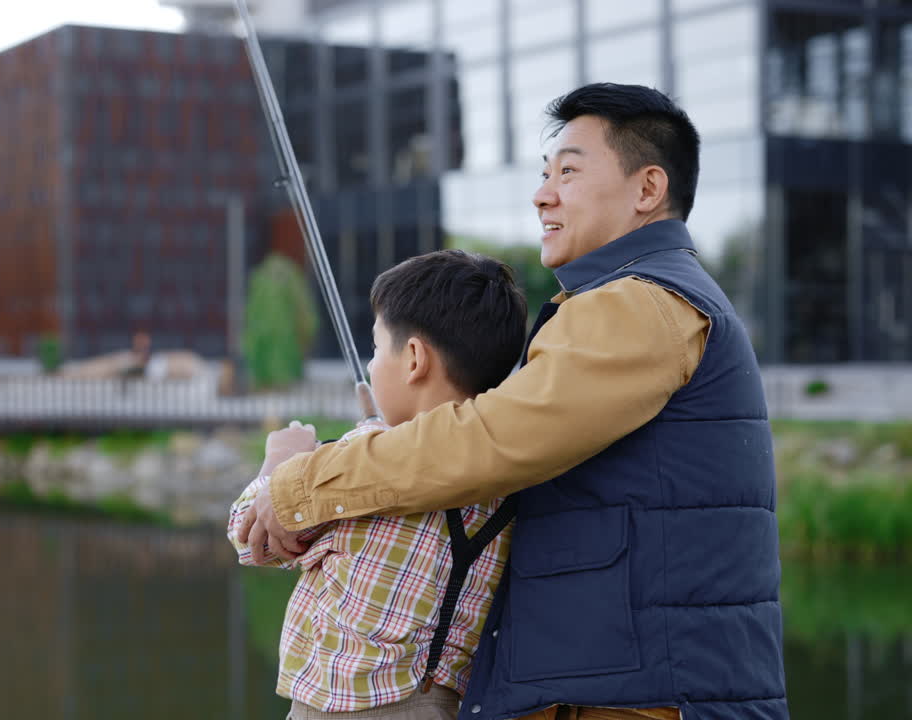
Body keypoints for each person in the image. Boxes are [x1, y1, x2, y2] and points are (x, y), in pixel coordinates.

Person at [238, 83, 787, 720]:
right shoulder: (626, 303)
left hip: (641, 701)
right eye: (545, 173)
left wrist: (299, 485)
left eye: (570, 172)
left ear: (648, 189)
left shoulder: (640, 301)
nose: (542, 193)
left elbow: (490, 441)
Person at [228, 249, 528, 719]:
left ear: (413, 359)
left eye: (374, 348)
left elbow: (250, 539)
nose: (369, 366)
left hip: (339, 708)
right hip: (441, 705)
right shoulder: (506, 471)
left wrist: (280, 461)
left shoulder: (362, 460)